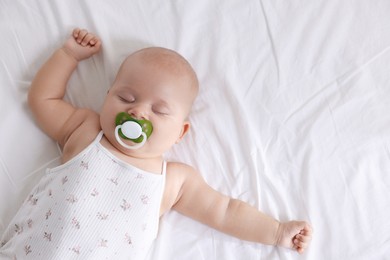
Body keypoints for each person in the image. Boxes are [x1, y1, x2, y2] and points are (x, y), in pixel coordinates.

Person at [0, 28, 312, 259]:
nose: (137, 112)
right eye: (126, 97)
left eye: (159, 110)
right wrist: (68, 56)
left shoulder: (174, 180)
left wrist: (276, 231)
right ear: (107, 97)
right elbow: (43, 99)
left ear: (180, 132)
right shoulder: (86, 131)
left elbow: (226, 212)